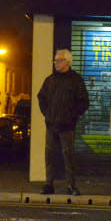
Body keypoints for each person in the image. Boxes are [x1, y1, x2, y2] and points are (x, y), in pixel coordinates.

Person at [38, 49, 89, 196]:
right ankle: (49, 184)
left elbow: (83, 102)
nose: (56, 63)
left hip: (67, 126)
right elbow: (41, 98)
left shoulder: (76, 80)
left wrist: (72, 116)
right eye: (55, 60)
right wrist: (47, 114)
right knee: (50, 155)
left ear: (67, 62)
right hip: (51, 124)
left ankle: (71, 186)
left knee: (69, 156)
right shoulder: (50, 80)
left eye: (59, 60)